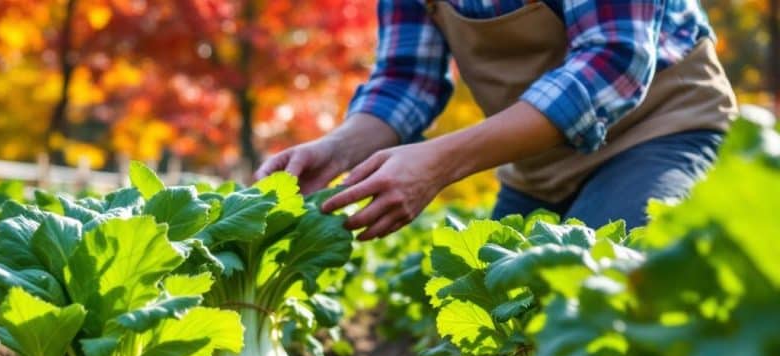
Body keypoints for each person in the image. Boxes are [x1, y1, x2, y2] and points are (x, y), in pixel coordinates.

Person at [254, 0, 738, 240]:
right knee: (491, 337)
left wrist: (440, 164)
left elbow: (614, 59)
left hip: (658, 133)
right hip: (536, 165)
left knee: (600, 299)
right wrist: (336, 151)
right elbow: (408, 79)